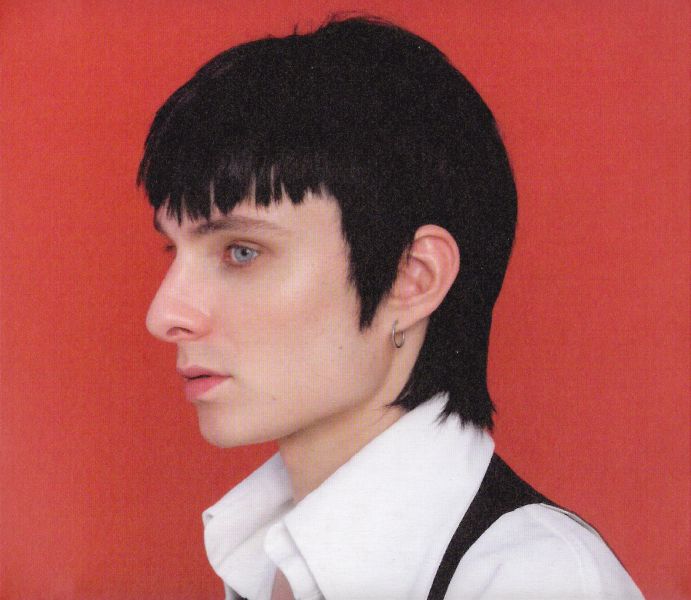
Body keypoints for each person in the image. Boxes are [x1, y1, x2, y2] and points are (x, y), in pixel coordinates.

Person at [138, 16, 644, 600]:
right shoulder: (263, 553)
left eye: (241, 252)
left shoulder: (534, 581)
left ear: (412, 279)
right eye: (173, 251)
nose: (163, 315)